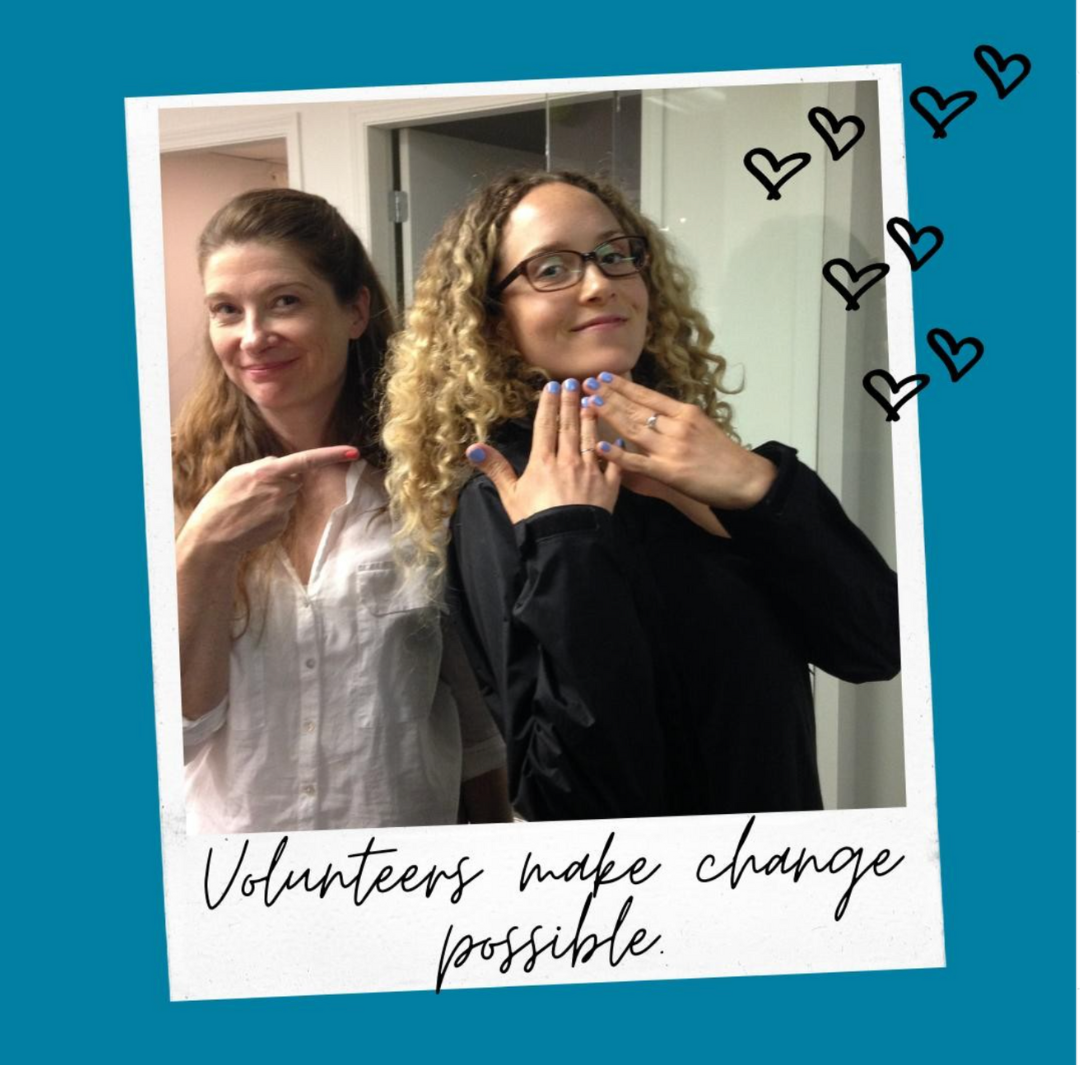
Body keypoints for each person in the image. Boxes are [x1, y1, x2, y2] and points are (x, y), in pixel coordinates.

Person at [382, 169, 900, 823]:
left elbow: (876, 643)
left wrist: (759, 488)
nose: (601, 284)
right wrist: (569, 541)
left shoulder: (705, 459)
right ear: (491, 320)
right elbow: (568, 805)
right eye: (550, 269)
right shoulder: (509, 495)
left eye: (615, 254)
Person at [172, 187, 510, 834]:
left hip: (398, 871)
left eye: (285, 302)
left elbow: (472, 716)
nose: (252, 336)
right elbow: (175, 736)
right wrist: (204, 551)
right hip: (235, 882)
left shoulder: (436, 482)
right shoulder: (173, 491)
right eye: (226, 310)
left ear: (355, 310)